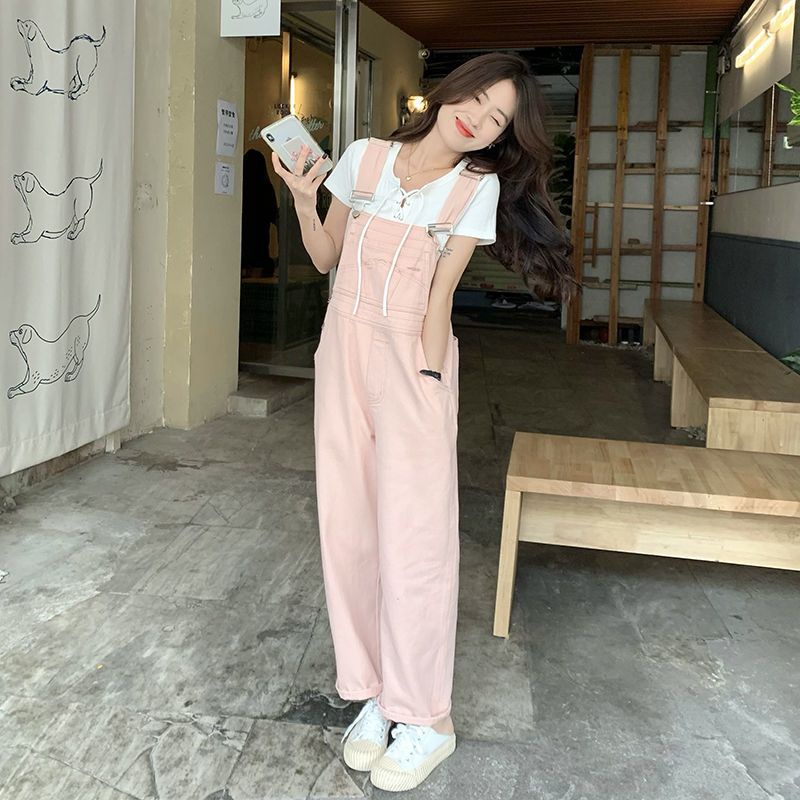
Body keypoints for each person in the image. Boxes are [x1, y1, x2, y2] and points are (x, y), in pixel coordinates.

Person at [271, 52, 575, 792]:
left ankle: (428, 717)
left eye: (498, 120)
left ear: (501, 137)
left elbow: (440, 298)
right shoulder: (364, 159)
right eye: (477, 99)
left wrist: (431, 383)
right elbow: (326, 259)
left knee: (416, 541)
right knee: (348, 528)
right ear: (450, 91)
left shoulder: (476, 188)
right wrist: (305, 199)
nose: (479, 119)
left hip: (413, 362)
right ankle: (378, 693)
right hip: (342, 354)